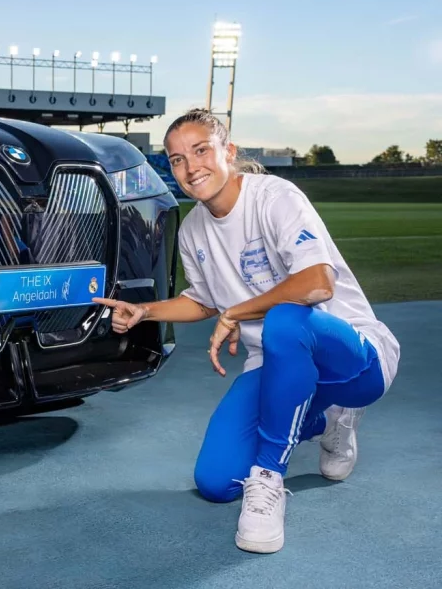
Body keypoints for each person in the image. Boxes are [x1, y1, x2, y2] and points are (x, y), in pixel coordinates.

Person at [94, 108, 400, 554]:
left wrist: (237, 311)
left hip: (353, 355)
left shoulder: (275, 197)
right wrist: (145, 311)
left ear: (229, 152)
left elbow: (317, 283)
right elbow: (204, 300)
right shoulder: (195, 228)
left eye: (201, 150)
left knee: (285, 319)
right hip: (276, 362)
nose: (189, 166)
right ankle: (325, 419)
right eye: (177, 159)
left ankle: (271, 476)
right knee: (216, 481)